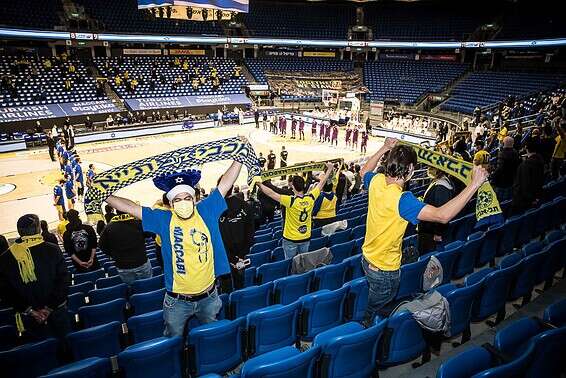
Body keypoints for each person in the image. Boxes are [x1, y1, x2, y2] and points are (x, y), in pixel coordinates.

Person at [106, 155, 245, 338]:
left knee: (212, 337)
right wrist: (103, 195)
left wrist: (240, 155)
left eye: (187, 197)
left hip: (209, 297)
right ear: (170, 204)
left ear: (195, 199)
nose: (183, 203)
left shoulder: (206, 210)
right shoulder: (163, 219)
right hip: (177, 302)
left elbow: (226, 182)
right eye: (177, 200)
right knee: (173, 341)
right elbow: (130, 207)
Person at [360, 138, 488, 324]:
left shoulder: (376, 181)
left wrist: (384, 147)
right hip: (385, 270)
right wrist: (474, 184)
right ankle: (368, 332)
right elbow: (442, 215)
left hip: (367, 259)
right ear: (411, 170)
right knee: (376, 314)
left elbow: (364, 171)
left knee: (375, 302)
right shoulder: (403, 200)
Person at [0, 214, 71, 340]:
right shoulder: (53, 250)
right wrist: (49, 308)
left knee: (42, 352)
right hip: (57, 311)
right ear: (38, 229)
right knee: (66, 345)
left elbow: (6, 292)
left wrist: (30, 311)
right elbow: (64, 281)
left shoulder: (6, 258)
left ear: (19, 231)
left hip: (29, 317)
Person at [258, 163, 334, 259]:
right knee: (303, 261)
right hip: (305, 236)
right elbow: (322, 183)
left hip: (291, 238)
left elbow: (271, 193)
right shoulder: (311, 197)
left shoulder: (290, 201)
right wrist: (329, 170)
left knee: (290, 262)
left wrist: (259, 183)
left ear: (293, 187)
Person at [218, 178, 255, 292]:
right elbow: (250, 232)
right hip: (240, 255)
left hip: (224, 257)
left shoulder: (215, 210)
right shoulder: (245, 205)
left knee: (226, 286)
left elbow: (217, 238)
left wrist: (231, 258)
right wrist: (241, 255)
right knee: (239, 282)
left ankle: (229, 304)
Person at [99, 210, 152, 285]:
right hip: (141, 262)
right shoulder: (137, 223)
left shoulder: (109, 227)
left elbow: (101, 245)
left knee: (132, 288)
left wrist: (113, 255)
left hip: (123, 265)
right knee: (148, 285)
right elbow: (150, 233)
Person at [417, 168, 455, 255]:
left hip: (431, 233)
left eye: (431, 167)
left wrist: (438, 233)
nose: (428, 169)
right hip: (429, 230)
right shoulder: (440, 182)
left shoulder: (441, 187)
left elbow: (442, 211)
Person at [511, 138, 545, 215]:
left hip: (525, 202)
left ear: (526, 147)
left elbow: (524, 185)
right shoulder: (540, 159)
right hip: (537, 195)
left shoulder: (524, 165)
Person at [492, 136, 520, 201]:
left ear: (504, 143)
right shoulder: (516, 153)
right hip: (512, 181)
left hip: (502, 183)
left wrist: (493, 178)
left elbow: (499, 169)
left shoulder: (502, 154)